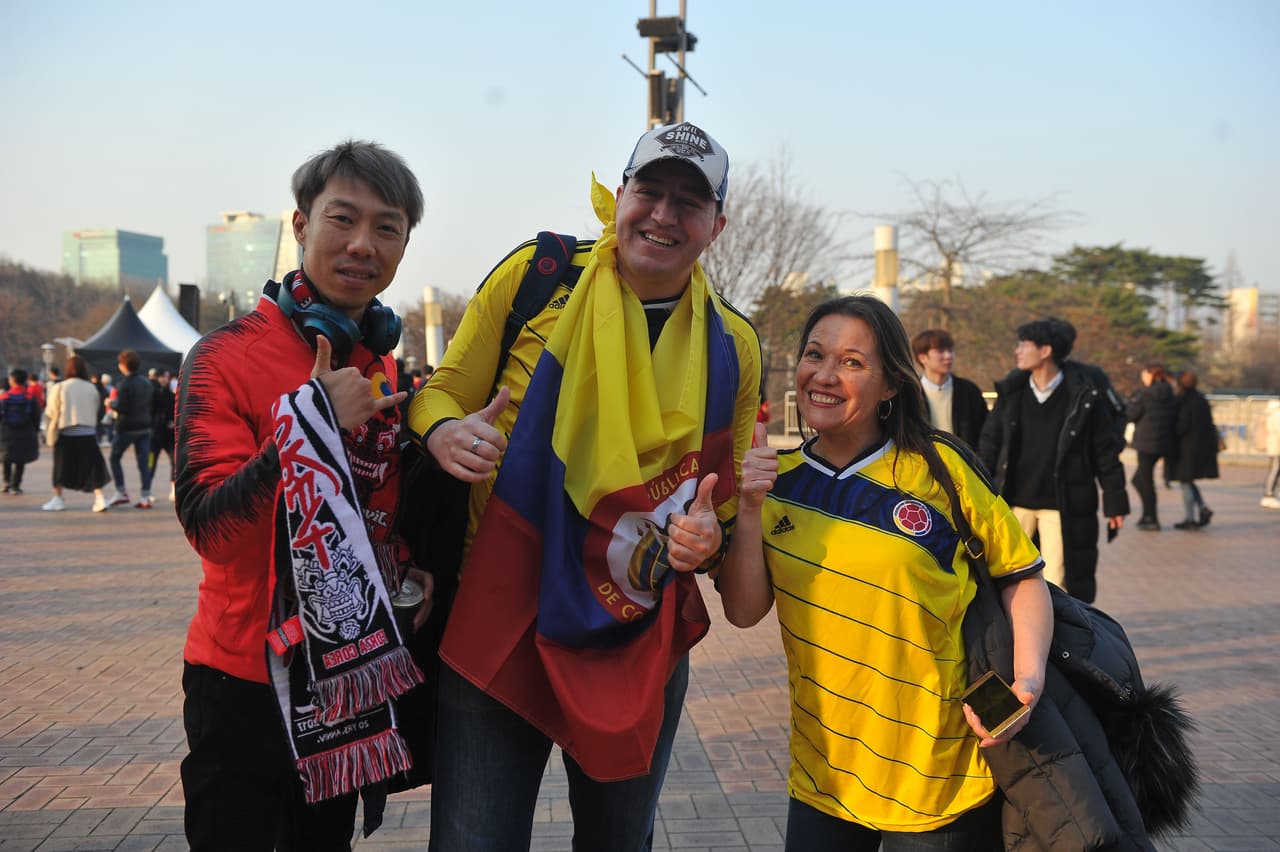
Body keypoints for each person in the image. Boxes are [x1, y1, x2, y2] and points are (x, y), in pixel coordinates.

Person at [409, 122, 761, 852]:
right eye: (650, 191)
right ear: (620, 194)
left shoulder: (733, 344)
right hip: (502, 614)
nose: (663, 215)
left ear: (716, 226)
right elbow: (439, 393)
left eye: (688, 203)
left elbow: (716, 510)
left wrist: (707, 538)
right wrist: (444, 433)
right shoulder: (539, 277)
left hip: (632, 634)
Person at [717, 295, 1051, 849]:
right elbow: (744, 611)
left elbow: (1021, 575)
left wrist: (1028, 681)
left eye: (852, 362)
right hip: (824, 776)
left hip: (938, 779)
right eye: (814, 355)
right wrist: (748, 509)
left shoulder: (942, 471)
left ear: (892, 384)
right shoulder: (780, 483)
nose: (824, 375)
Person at [174, 140, 430, 852]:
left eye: (387, 228)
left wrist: (410, 557)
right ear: (299, 225)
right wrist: (310, 423)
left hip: (342, 679)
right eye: (341, 219)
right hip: (245, 681)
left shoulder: (374, 360)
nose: (361, 244)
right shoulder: (224, 356)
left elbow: (372, 513)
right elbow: (212, 529)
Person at [978, 319, 1129, 603]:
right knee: (1008, 577)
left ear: (1046, 350)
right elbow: (990, 443)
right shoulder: (1012, 391)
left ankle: (1056, 644)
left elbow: (1104, 451)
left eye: (1024, 345)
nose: (1017, 351)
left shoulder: (1083, 395)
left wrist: (1115, 502)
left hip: (1061, 505)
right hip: (1013, 502)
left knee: (1057, 583)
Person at [41, 356, 111, 512]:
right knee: (93, 467)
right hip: (88, 433)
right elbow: (98, 410)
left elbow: (51, 411)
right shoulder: (91, 387)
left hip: (67, 433)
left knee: (60, 468)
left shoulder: (60, 387)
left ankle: (58, 498)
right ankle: (100, 498)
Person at [910, 327, 988, 449]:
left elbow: (985, 434)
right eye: (940, 351)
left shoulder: (969, 391)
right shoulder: (911, 393)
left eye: (950, 350)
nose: (948, 356)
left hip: (963, 464)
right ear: (922, 358)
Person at [1168, 370, 1220, 530]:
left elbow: (1181, 426)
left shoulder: (1184, 401)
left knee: (1185, 481)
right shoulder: (1201, 399)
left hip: (1186, 448)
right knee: (1188, 481)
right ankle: (1202, 508)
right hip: (1200, 447)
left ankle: (1190, 517)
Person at [1127, 363, 1175, 530]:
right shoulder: (1169, 393)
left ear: (1150, 375)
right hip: (1163, 441)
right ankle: (1147, 515)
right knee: (1140, 479)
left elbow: (1131, 414)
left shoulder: (1145, 394)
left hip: (1146, 442)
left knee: (1145, 481)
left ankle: (1151, 517)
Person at [105, 350, 156, 508]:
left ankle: (121, 492)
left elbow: (122, 407)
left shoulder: (124, 384)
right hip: (145, 426)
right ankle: (145, 496)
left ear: (123, 366)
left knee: (114, 457)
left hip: (127, 427)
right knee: (143, 463)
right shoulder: (146, 382)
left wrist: (110, 403)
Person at [1, 369, 41, 495]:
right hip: (25, 431)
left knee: (6, 458)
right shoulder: (30, 397)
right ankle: (16, 485)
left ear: (12, 381)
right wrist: (35, 430)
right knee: (20, 460)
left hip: (6, 432)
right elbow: (36, 416)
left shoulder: (4, 397)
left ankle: (6, 482)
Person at [148, 368, 177, 501]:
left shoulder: (172, 396)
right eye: (162, 376)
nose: (164, 379)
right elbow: (149, 413)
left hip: (169, 435)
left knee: (175, 461)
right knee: (150, 463)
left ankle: (174, 490)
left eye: (166, 376)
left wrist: (173, 422)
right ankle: (147, 491)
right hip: (155, 435)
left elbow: (175, 413)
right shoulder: (152, 394)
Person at [1259, 399, 1280, 509]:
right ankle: (1269, 494)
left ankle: (1269, 494)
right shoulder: (1277, 413)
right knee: (1275, 469)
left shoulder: (1270, 412)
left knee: (1275, 469)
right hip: (1277, 444)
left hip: (1274, 443)